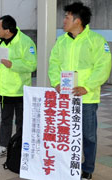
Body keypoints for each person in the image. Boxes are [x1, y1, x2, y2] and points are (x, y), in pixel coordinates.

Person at [48, 2, 111, 180]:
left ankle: (87, 168)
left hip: (87, 98)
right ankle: (68, 165)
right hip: (65, 98)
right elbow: (54, 64)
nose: (63, 20)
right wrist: (56, 83)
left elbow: (103, 68)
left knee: (88, 136)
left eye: (67, 17)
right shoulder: (61, 41)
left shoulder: (97, 41)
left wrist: (87, 87)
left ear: (78, 20)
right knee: (65, 133)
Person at [0, 15, 37, 158]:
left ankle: (20, 147)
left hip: (20, 91)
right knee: (5, 120)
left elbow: (32, 65)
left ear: (8, 30)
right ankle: (3, 146)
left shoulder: (26, 42)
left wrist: (12, 64)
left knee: (21, 121)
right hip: (4, 90)